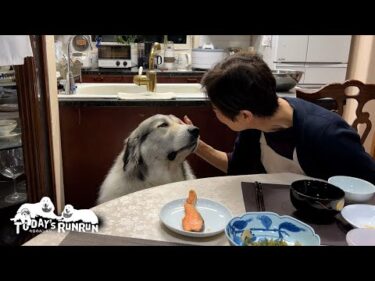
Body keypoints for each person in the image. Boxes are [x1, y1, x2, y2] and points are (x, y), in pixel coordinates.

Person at [184, 51, 375, 184]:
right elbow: (237, 167)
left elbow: (369, 187)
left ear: (244, 115)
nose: (215, 113)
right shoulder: (254, 126)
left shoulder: (329, 134)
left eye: (216, 109)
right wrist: (197, 145)